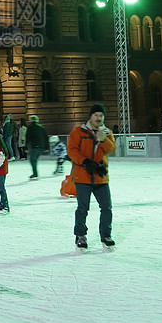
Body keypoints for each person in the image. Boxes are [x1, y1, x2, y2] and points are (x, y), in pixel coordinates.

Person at [66, 105, 117, 250]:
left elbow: (111, 149)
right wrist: (85, 161)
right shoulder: (78, 132)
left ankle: (106, 235)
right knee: (83, 208)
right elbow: (71, 150)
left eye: (101, 115)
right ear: (90, 116)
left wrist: (104, 140)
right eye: (96, 114)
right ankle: (80, 235)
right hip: (82, 177)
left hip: (100, 177)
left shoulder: (107, 133)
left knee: (106, 207)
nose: (99, 118)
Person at [26, 115, 49, 179]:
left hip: (34, 146)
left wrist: (25, 147)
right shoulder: (41, 127)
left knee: (32, 160)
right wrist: (47, 147)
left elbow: (27, 138)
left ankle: (35, 173)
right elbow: (46, 137)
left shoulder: (30, 128)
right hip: (41, 146)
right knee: (34, 159)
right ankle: (35, 173)